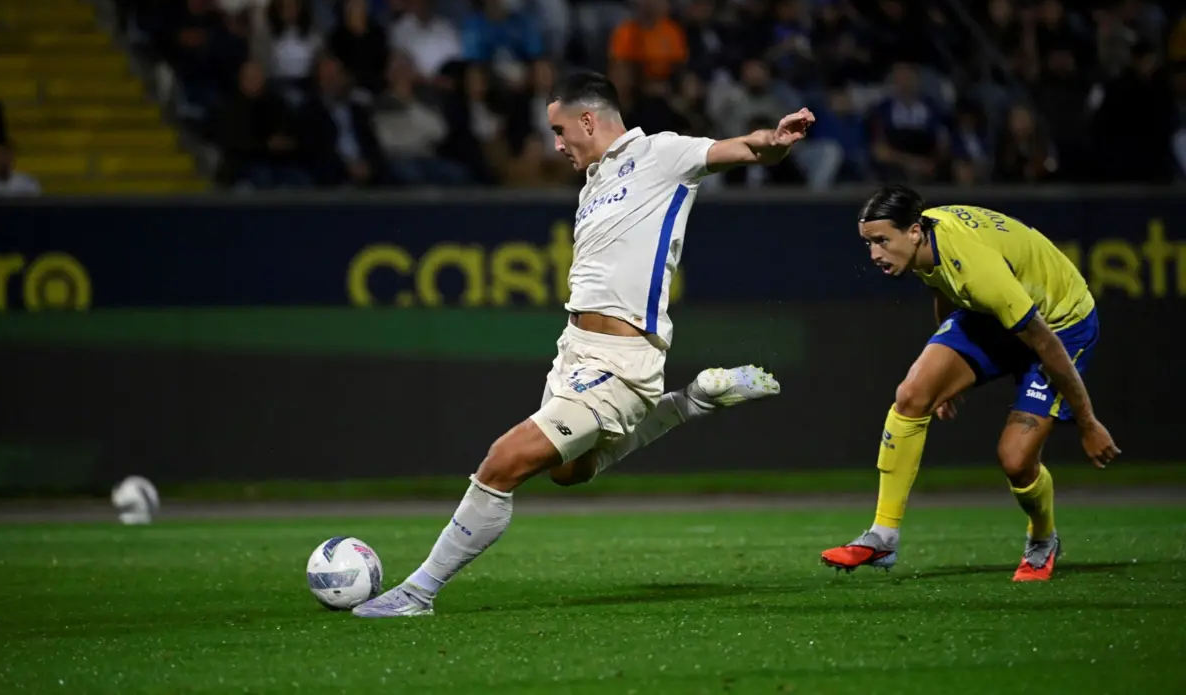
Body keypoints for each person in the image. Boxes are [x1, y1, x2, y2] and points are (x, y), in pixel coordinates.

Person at [354, 71, 816, 617]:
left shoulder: (661, 154)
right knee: (568, 472)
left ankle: (417, 592)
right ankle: (691, 401)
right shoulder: (595, 182)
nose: (555, 144)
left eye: (558, 129)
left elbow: (739, 150)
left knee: (503, 462)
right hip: (573, 352)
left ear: (588, 119)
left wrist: (773, 142)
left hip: (623, 364)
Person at [820, 185, 1121, 582]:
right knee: (912, 396)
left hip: (1059, 327)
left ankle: (1043, 539)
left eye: (880, 241)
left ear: (912, 232)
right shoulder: (926, 242)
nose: (874, 254)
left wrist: (1087, 421)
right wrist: (947, 378)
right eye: (868, 243)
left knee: (1015, 460)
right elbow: (943, 288)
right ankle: (883, 535)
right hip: (992, 314)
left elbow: (1043, 340)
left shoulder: (976, 268)